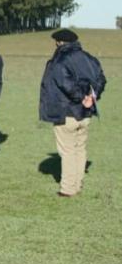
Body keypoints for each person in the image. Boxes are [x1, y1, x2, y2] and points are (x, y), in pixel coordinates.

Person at [39, 29, 107, 197]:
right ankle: (78, 183)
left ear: (60, 42)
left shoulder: (59, 60)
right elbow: (101, 79)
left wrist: (81, 97)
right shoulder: (90, 58)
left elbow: (65, 83)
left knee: (67, 151)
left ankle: (68, 188)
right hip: (86, 113)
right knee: (80, 148)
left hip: (66, 112)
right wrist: (92, 96)